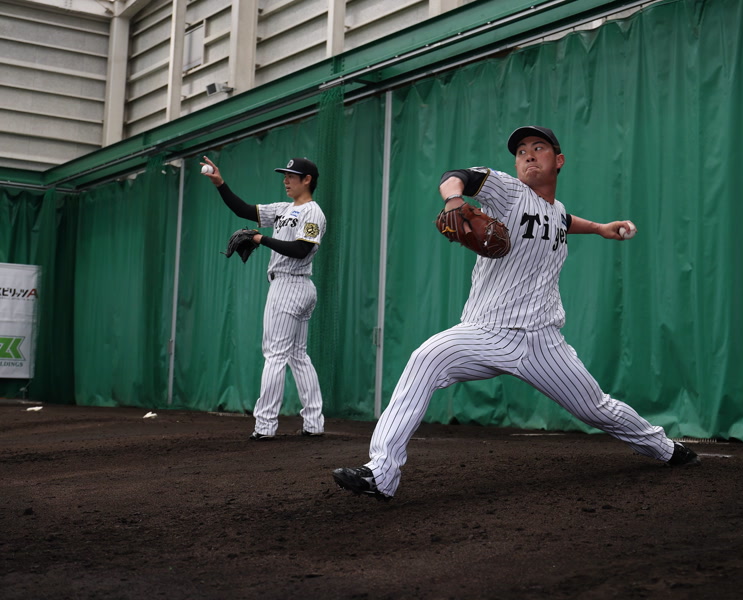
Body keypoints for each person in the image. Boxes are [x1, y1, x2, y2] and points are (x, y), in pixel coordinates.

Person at [332, 126, 699, 501]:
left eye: (539, 148)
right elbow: (456, 176)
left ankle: (664, 448)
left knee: (596, 407)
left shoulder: (555, 211)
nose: (528, 154)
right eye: (521, 151)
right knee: (426, 358)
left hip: (544, 343)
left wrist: (600, 228)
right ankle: (382, 472)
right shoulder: (507, 191)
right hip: (487, 332)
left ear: (559, 161)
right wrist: (453, 198)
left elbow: (562, 220)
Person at [201, 155, 326, 440]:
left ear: (307, 180)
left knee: (275, 355)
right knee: (298, 356)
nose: (286, 180)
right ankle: (314, 423)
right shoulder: (284, 208)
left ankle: (265, 425)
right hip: (297, 287)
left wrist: (260, 239)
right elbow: (243, 209)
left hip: (289, 286)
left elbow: (301, 250)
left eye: (291, 176)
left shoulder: (313, 213)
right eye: (285, 175)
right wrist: (220, 184)